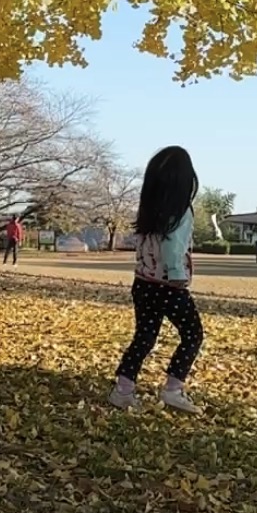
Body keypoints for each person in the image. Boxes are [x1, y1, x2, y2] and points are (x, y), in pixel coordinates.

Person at [109, 146, 203, 413]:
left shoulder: (149, 208)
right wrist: (176, 275)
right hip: (169, 286)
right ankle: (174, 388)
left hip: (144, 283)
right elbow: (173, 247)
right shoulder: (182, 211)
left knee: (145, 336)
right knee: (193, 335)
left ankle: (123, 389)